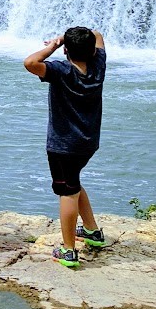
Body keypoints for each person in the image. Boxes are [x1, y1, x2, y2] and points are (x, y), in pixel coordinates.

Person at [23, 25, 108, 269]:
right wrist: (72, 43)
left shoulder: (61, 70)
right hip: (88, 141)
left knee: (67, 192)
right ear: (92, 50)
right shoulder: (98, 64)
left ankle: (68, 250)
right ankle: (91, 231)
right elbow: (98, 35)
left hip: (63, 144)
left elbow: (30, 63)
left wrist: (54, 44)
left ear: (66, 51)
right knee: (74, 181)